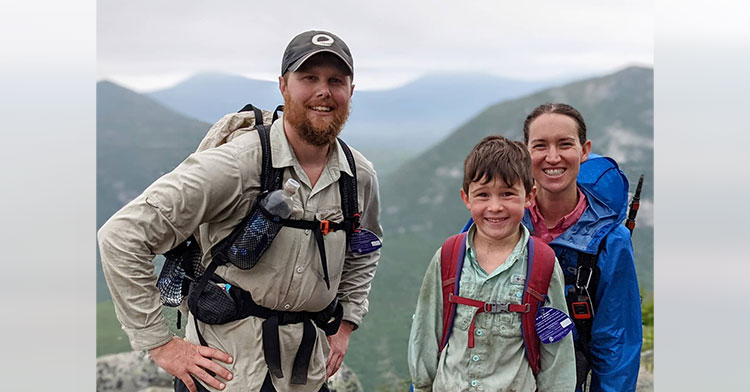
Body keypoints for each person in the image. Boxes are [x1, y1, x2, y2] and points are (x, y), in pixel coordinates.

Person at [98, 30, 382, 392]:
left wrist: (345, 326)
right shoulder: (238, 164)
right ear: (283, 86)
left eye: (335, 81)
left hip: (305, 376)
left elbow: (364, 251)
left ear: (351, 91)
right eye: (308, 78)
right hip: (226, 376)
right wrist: (161, 344)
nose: (323, 91)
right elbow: (121, 236)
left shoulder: (358, 177)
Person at [408, 136, 575, 392]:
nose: (495, 207)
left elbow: (556, 350)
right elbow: (426, 331)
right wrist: (421, 385)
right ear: (466, 198)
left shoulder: (543, 264)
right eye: (483, 195)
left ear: (529, 196)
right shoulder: (449, 256)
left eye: (508, 194)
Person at [522, 103, 642, 391]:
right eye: (540, 145)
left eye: (565, 144)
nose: (553, 157)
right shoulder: (499, 219)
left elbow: (616, 343)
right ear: (525, 153)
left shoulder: (610, 241)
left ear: (584, 151)